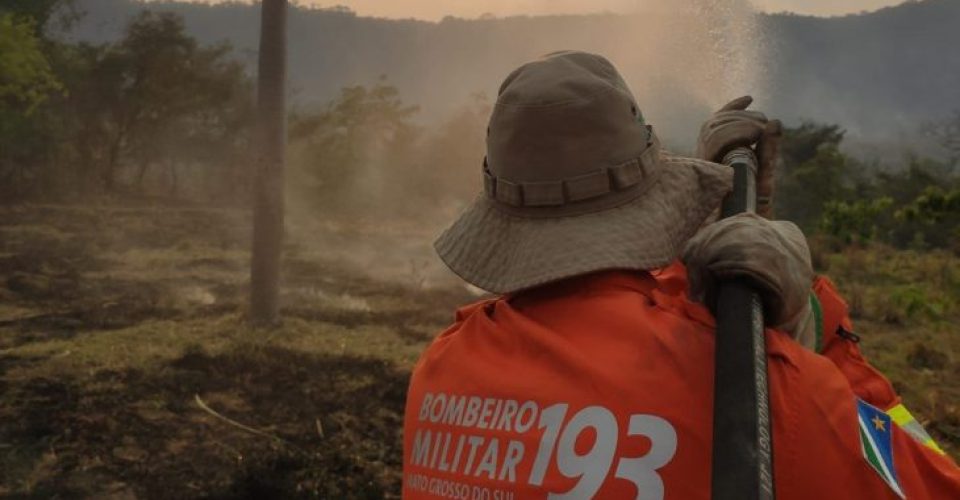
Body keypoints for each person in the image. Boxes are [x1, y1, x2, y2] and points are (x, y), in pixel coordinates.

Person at [402, 51, 959, 499]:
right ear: (650, 189)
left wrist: (730, 230)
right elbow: (929, 476)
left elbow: (605, 308)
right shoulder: (762, 389)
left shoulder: (441, 370)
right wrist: (810, 327)